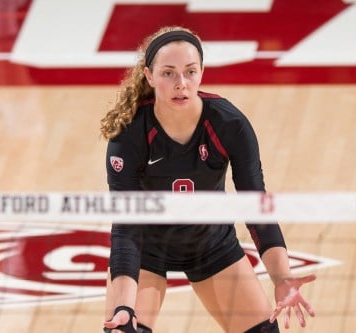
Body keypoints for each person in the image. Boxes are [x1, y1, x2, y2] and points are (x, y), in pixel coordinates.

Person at [99, 26, 316, 333]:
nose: (181, 84)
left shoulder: (229, 124)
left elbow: (256, 206)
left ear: (202, 72)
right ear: (149, 76)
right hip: (147, 248)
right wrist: (123, 305)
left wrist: (282, 278)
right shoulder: (130, 134)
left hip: (210, 244)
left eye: (190, 72)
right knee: (122, 330)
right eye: (169, 73)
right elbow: (126, 227)